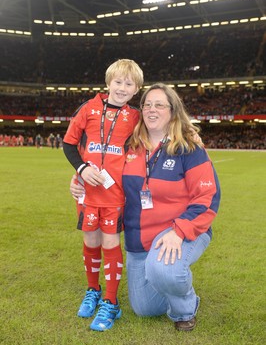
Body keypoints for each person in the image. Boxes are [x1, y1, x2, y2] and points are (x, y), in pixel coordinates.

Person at [70, 82, 221, 332]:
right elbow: (99, 165)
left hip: (178, 231)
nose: (152, 109)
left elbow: (208, 196)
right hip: (140, 239)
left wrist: (179, 231)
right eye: (147, 104)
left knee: (164, 269)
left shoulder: (189, 147)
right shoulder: (130, 146)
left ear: (172, 110)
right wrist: (79, 179)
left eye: (160, 105)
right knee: (144, 308)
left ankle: (185, 307)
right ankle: (165, 277)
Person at [63, 59, 144, 331]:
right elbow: (69, 143)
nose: (122, 87)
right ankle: (92, 290)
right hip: (87, 192)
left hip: (114, 195)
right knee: (90, 241)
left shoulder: (135, 117)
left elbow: (153, 140)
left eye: (129, 84)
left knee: (111, 244)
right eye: (118, 82)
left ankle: (111, 302)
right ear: (108, 82)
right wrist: (81, 169)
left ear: (136, 90)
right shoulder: (88, 108)